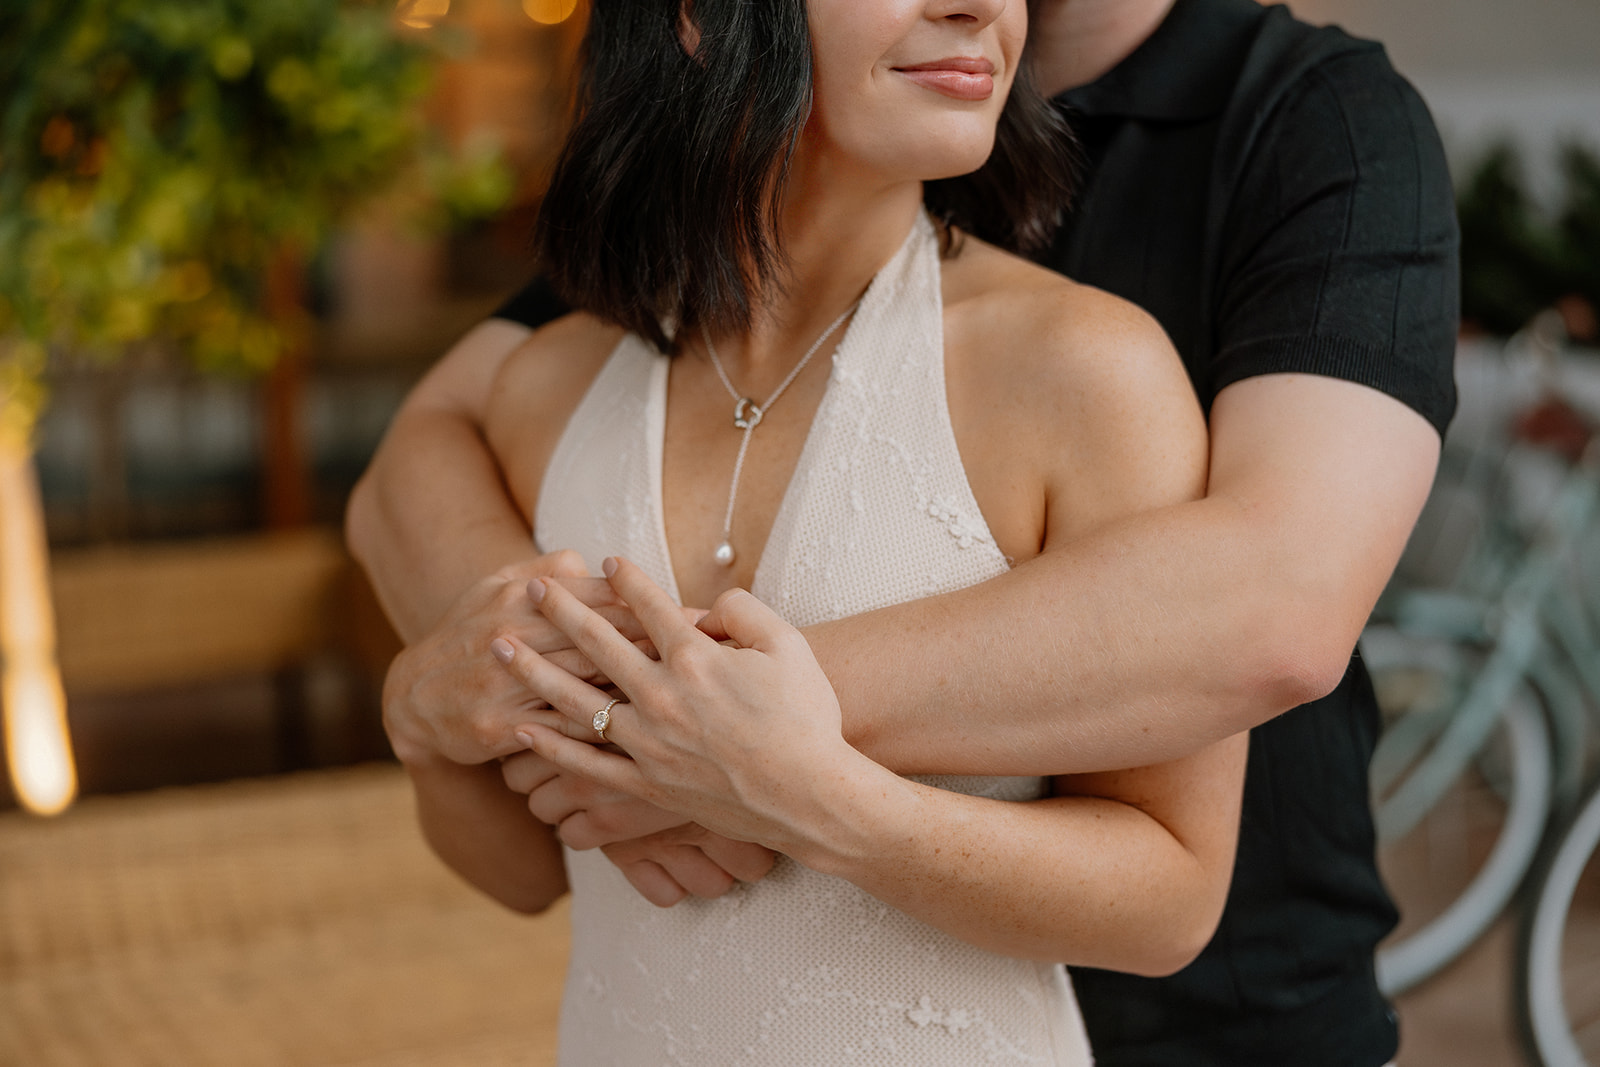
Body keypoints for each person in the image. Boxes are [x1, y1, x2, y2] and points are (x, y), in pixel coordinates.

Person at [347, 0, 1458, 1063]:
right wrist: (424, 708)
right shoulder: (554, 378)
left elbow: (1260, 658)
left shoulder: (1093, 364)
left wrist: (742, 755)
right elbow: (527, 867)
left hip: (1236, 1024)